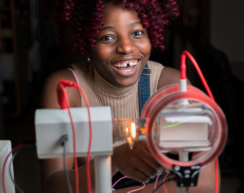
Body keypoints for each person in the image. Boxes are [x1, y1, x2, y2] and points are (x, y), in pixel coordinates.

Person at [40, 0, 217, 192]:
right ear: (87, 40)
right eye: (107, 37)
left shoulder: (171, 86)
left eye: (137, 33)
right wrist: (115, 160)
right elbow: (53, 187)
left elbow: (206, 184)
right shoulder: (66, 90)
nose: (126, 47)